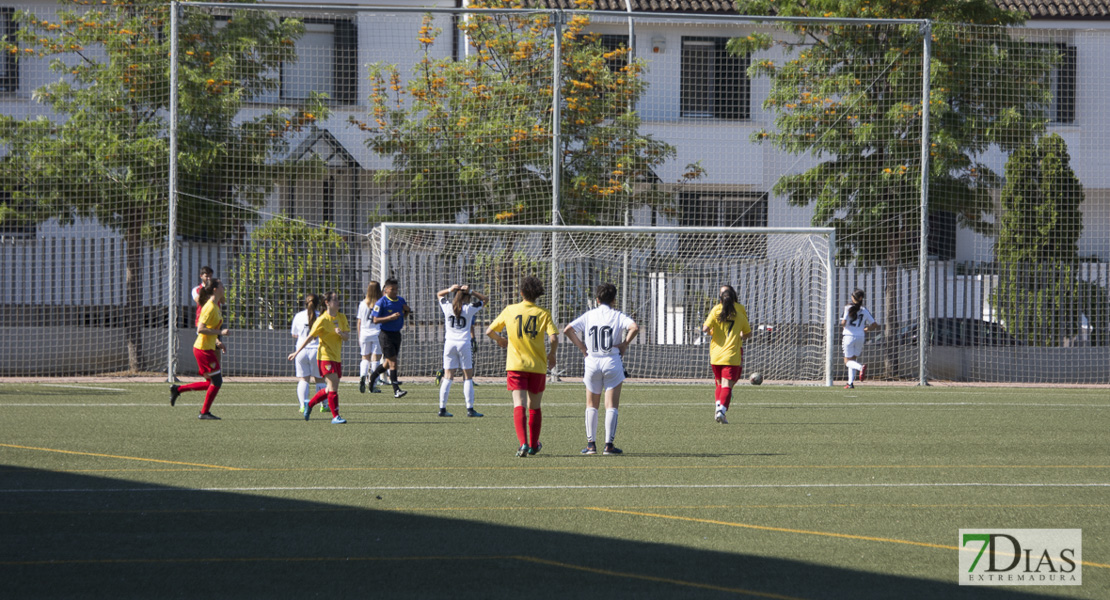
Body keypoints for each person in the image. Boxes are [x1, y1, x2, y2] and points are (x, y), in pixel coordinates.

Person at [563, 283, 639, 456]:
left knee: (592, 404)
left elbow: (568, 329)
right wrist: (625, 344)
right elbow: (634, 327)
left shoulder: (589, 315)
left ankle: (591, 445)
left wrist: (582, 347)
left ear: (597, 300)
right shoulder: (617, 315)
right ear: (614, 300)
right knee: (611, 405)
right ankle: (609, 446)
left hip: (592, 361)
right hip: (612, 361)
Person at [486, 276, 558, 457]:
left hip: (516, 366)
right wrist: (552, 354)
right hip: (537, 366)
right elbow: (554, 337)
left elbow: (489, 331)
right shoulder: (543, 313)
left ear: (521, 293)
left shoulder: (510, 310)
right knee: (535, 406)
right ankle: (534, 445)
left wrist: (500, 339)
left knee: (519, 404)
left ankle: (523, 444)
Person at [170, 278, 229, 420]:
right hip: (203, 349)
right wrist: (220, 333)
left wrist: (217, 341)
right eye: (221, 285)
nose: (223, 287)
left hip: (207, 347)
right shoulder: (209, 307)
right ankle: (204, 413)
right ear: (215, 289)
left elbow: (210, 329)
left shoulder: (216, 306)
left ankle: (178, 389)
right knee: (217, 381)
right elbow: (201, 329)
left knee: (211, 383)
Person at [288, 291, 350, 424]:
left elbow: (346, 337)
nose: (338, 302)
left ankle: (309, 404)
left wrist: (340, 334)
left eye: (338, 300)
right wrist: (296, 352)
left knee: (329, 389)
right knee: (333, 387)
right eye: (335, 300)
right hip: (324, 357)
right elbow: (309, 337)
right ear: (327, 303)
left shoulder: (342, 317)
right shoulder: (322, 319)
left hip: (336, 357)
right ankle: (336, 416)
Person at [435, 284, 489, 418]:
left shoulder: (447, 307)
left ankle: (442, 408)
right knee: (467, 377)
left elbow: (439, 294)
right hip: (463, 344)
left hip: (449, 344)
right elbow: (485, 299)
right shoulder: (469, 308)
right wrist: (471, 291)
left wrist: (450, 289)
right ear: (467, 297)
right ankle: (470, 409)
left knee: (448, 376)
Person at [701, 285, 752, 424]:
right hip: (731, 355)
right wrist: (739, 335)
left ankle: (719, 408)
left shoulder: (716, 310)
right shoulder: (740, 315)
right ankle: (721, 411)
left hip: (716, 354)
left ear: (721, 299)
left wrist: (712, 331)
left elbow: (705, 328)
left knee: (720, 384)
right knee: (727, 385)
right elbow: (748, 333)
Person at [366, 278, 411, 398]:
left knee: (387, 363)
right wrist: (389, 318)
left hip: (397, 334)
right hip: (386, 335)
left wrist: (407, 311)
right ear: (386, 290)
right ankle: (396, 390)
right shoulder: (381, 302)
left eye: (396, 289)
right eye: (392, 289)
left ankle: (373, 376)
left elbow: (404, 314)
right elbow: (375, 320)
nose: (395, 291)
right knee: (393, 362)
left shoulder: (400, 300)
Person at [290, 294, 326, 413]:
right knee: (320, 380)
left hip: (300, 350)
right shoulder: (321, 316)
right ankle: (324, 405)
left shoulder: (299, 316)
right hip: (317, 351)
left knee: (303, 379)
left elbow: (294, 334)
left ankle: (303, 405)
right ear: (317, 304)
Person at [841, 288, 879, 389]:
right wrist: (867, 329)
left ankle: (860, 367)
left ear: (855, 298)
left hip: (848, 336)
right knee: (853, 359)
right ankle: (850, 383)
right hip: (860, 337)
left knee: (847, 361)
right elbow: (874, 324)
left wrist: (843, 323)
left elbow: (843, 322)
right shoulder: (864, 310)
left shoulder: (848, 307)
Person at [356, 281, 384, 394]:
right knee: (376, 359)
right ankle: (373, 384)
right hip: (377, 333)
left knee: (365, 358)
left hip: (364, 333)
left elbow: (359, 321)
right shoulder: (380, 304)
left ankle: (362, 375)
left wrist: (359, 336)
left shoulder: (362, 304)